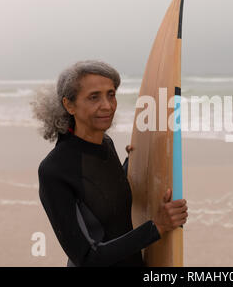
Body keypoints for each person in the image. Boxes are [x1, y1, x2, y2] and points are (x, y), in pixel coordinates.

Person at [30, 60, 188, 266]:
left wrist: (133, 164)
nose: (107, 105)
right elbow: (86, 257)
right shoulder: (55, 170)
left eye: (111, 95)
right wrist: (157, 226)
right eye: (94, 97)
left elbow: (103, 195)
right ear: (69, 105)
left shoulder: (105, 143)